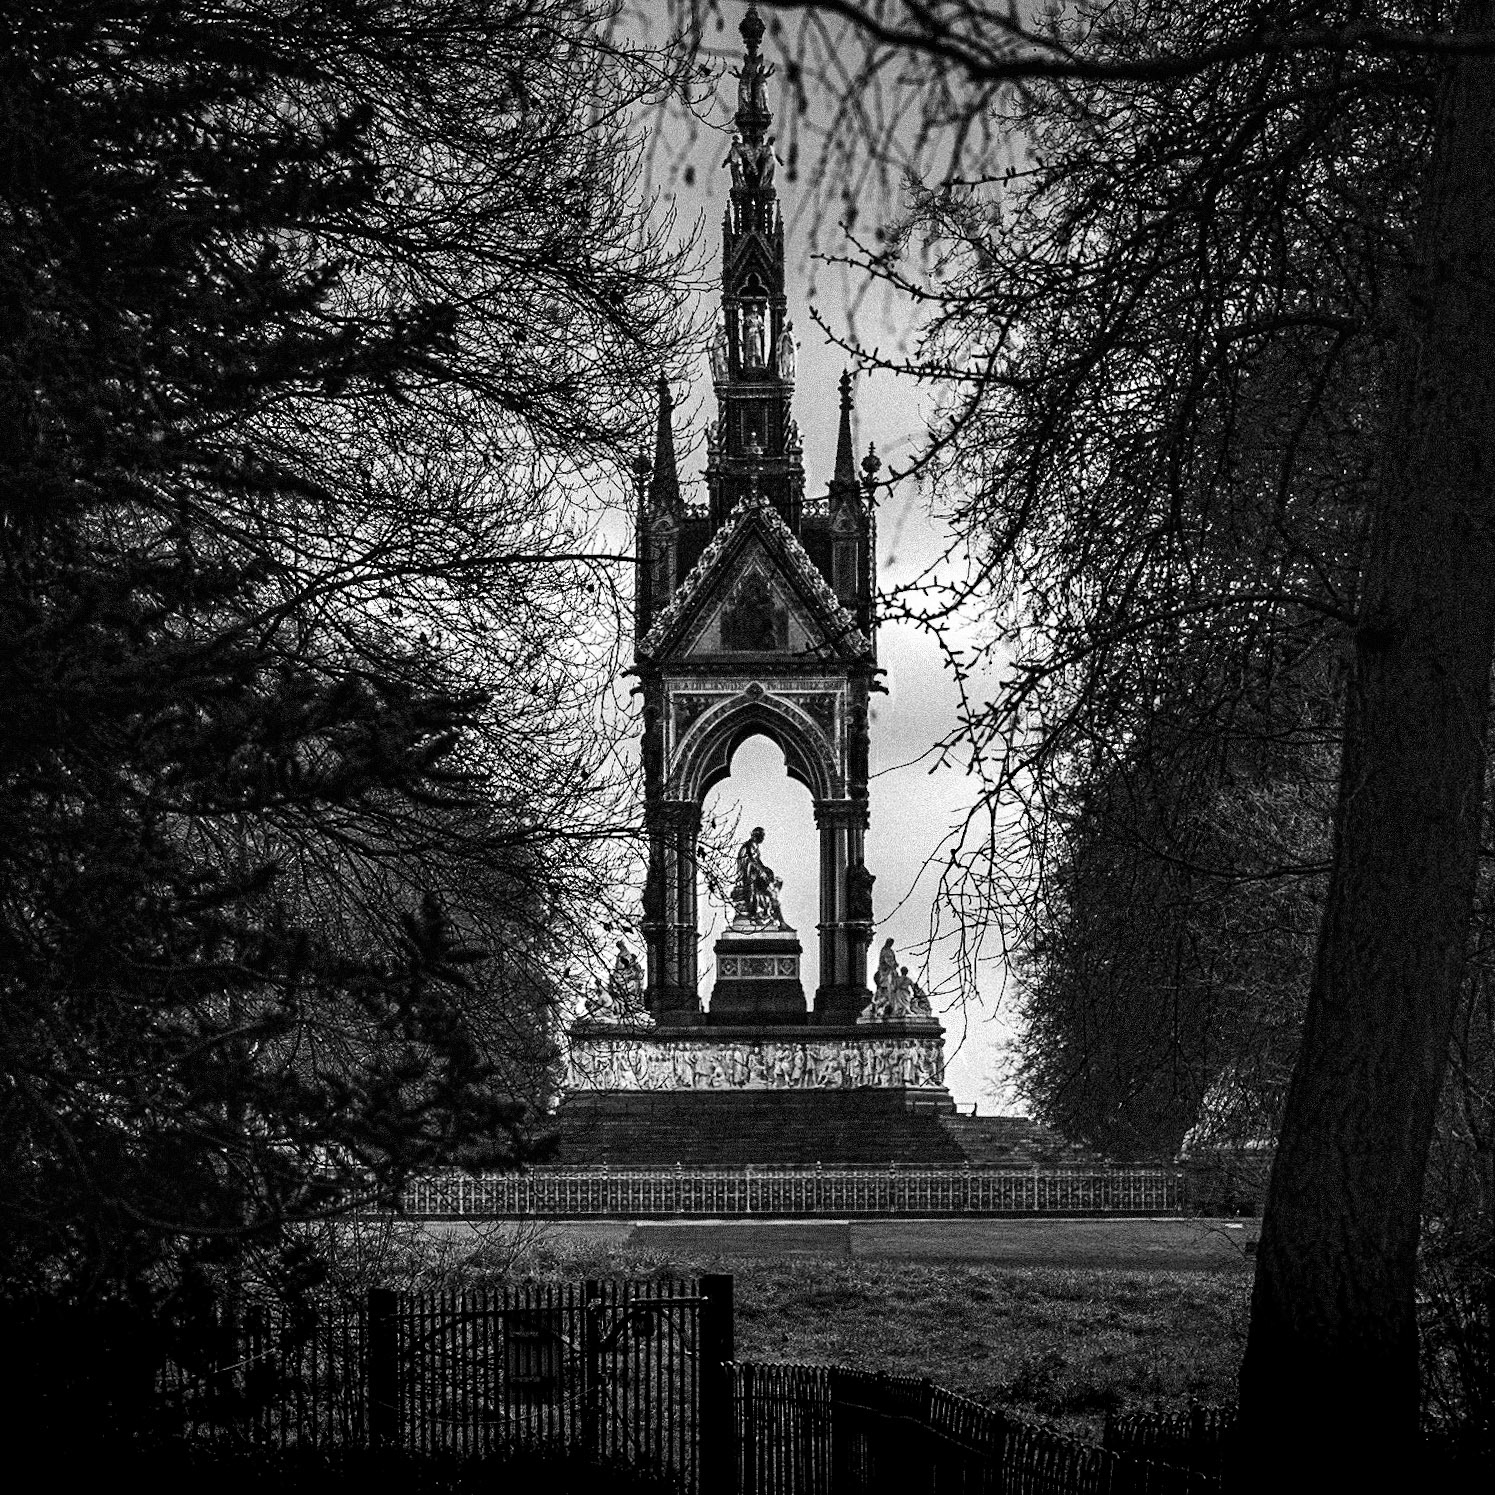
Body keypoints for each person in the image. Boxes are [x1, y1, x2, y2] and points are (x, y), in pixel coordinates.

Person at [731, 826, 785, 928]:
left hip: (754, 876)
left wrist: (766, 870)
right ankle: (757, 915)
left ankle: (771, 917)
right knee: (763, 894)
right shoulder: (750, 845)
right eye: (762, 835)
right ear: (757, 835)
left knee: (770, 892)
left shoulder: (753, 845)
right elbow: (752, 861)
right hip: (751, 878)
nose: (763, 838)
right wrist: (762, 872)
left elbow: (757, 862)